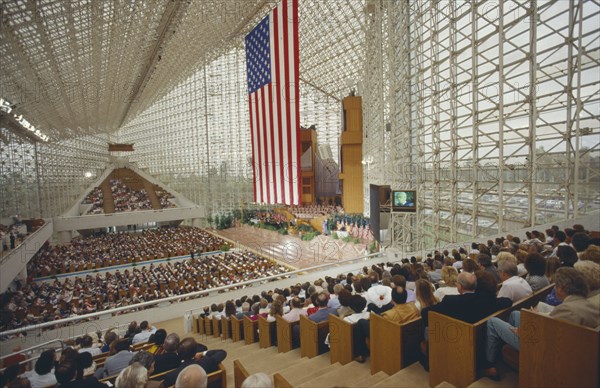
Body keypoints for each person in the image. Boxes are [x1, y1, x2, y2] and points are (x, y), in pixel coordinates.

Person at [483, 267, 600, 380]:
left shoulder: (566, 309)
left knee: (493, 322)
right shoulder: (588, 304)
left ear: (561, 288)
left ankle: (489, 366)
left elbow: (551, 337)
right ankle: (506, 351)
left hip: (545, 348)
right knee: (515, 314)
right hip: (570, 344)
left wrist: (522, 332)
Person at [161, 338, 226, 387]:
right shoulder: (207, 362)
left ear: (178, 353)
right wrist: (202, 353)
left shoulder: (170, 376)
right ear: (195, 352)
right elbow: (222, 352)